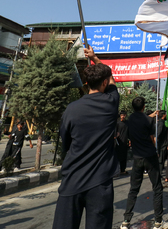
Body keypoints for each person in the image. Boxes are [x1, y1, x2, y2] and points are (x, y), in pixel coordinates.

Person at [52, 47, 120, 229]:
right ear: (104, 83)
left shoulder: (71, 109)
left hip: (72, 179)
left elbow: (65, 143)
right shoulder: (111, 103)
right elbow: (112, 80)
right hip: (100, 182)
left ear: (87, 82)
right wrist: (96, 58)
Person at [121, 97, 168, 229]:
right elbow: (152, 138)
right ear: (143, 107)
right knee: (157, 188)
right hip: (149, 156)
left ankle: (126, 220)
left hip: (137, 157)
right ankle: (158, 221)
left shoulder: (130, 120)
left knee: (133, 189)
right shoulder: (149, 120)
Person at [116, 111, 130, 176]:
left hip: (125, 142)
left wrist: (130, 140)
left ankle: (123, 170)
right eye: (122, 115)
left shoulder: (127, 123)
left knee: (124, 157)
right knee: (117, 157)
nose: (123, 116)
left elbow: (129, 132)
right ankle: (116, 171)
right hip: (118, 143)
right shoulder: (117, 123)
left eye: (124, 115)